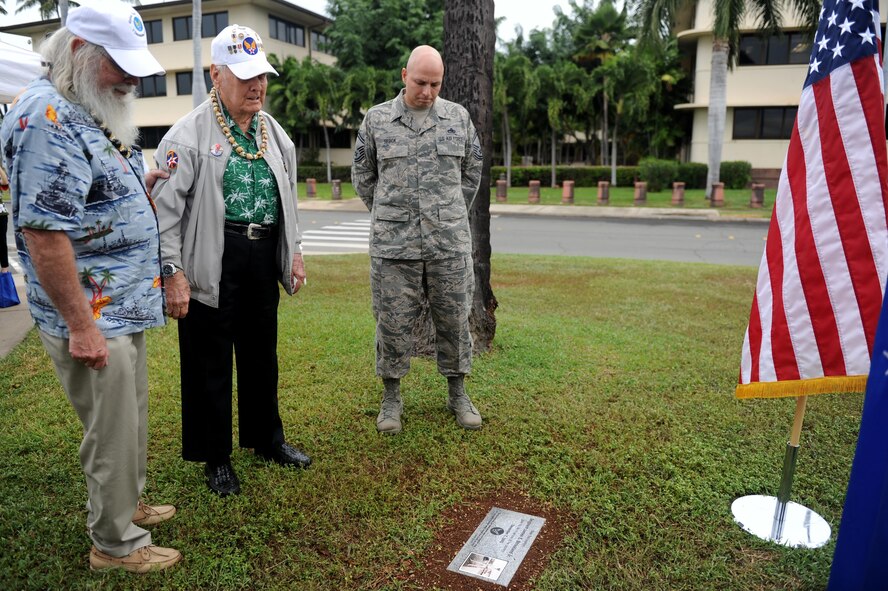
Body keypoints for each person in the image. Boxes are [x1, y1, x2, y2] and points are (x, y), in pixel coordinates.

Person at [0, 0, 181, 573]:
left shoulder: (82, 104)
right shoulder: (45, 118)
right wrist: (82, 326)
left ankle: (128, 501)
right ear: (79, 51)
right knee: (110, 428)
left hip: (122, 302)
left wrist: (139, 182)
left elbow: (86, 194)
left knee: (128, 416)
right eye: (118, 65)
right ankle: (115, 542)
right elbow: (44, 233)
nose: (131, 78)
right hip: (93, 311)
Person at [152, 24, 310, 498]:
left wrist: (294, 251)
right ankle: (215, 456)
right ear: (216, 74)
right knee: (209, 359)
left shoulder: (273, 133)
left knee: (263, 352)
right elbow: (166, 213)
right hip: (212, 256)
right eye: (245, 76)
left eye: (261, 75)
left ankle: (267, 439)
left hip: (262, 254)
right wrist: (173, 273)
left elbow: (289, 200)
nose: (256, 85)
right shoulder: (187, 135)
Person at [352, 45, 484, 435]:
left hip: (448, 244)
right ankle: (391, 397)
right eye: (421, 82)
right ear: (404, 75)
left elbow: (472, 172)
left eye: (435, 84)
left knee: (454, 320)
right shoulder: (377, 119)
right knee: (392, 324)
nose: (427, 91)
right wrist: (392, 216)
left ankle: (458, 393)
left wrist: (448, 213)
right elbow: (363, 177)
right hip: (394, 247)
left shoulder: (458, 118)